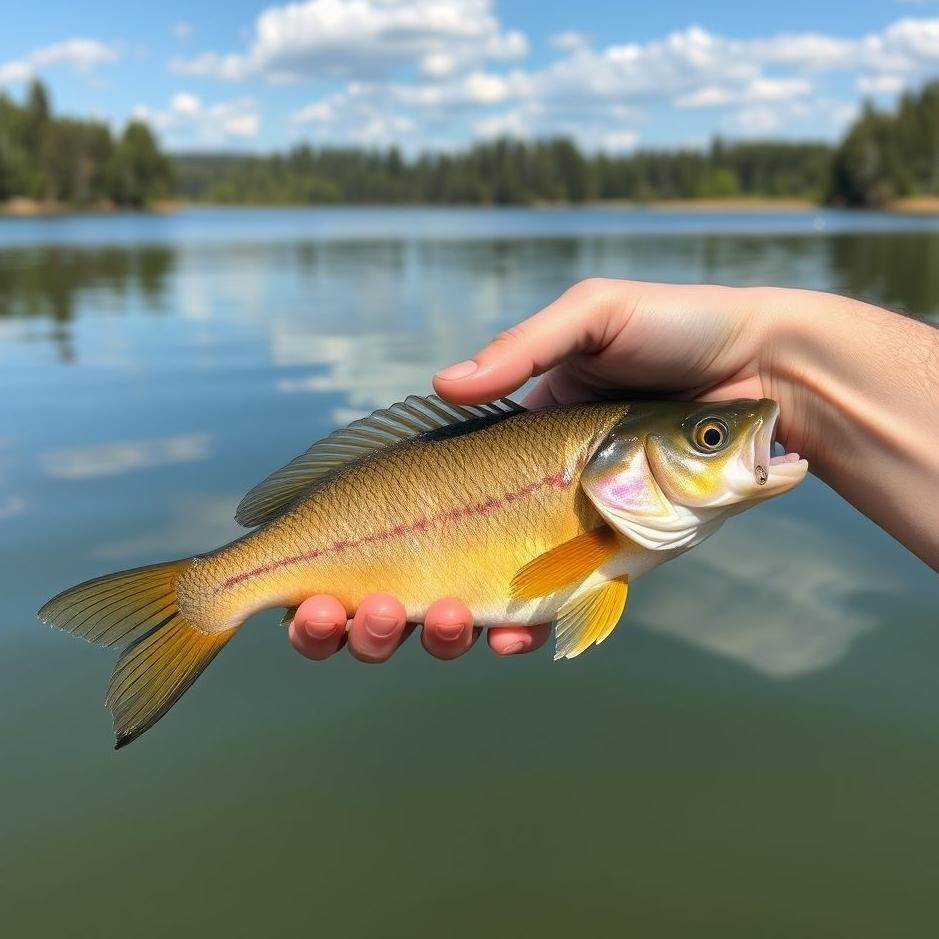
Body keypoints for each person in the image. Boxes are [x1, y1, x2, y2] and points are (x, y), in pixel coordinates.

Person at [285, 278, 939, 664]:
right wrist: (781, 359)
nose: (731, 435)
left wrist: (778, 364)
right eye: (710, 436)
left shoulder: (620, 525)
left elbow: (549, 578)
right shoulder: (611, 528)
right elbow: (549, 577)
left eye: (708, 435)